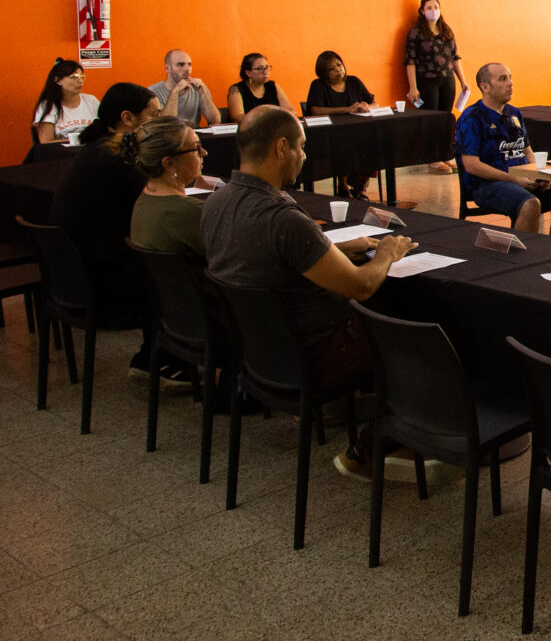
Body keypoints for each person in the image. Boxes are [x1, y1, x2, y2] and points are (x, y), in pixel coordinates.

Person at [200, 106, 416, 477]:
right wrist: (387, 253)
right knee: (416, 343)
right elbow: (362, 286)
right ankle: (370, 451)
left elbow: (267, 257)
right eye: (301, 146)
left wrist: (330, 250)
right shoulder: (282, 218)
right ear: (280, 148)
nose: (304, 155)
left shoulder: (216, 201)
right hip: (315, 354)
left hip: (260, 353)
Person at [48, 83, 182, 381]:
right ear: (128, 118)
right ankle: (163, 358)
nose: (159, 120)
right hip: (101, 279)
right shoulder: (119, 155)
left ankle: (159, 354)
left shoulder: (97, 148)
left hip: (72, 277)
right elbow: (154, 203)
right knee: (174, 267)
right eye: (154, 114)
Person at [455, 63, 551, 236]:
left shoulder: (514, 113)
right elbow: (472, 165)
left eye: (510, 78)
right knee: (530, 204)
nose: (510, 83)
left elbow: (527, 151)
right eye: (502, 79)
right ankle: (524, 252)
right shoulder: (472, 117)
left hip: (522, 179)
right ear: (485, 87)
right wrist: (514, 180)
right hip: (486, 185)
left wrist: (540, 176)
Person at [130, 117, 211, 260]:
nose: (204, 152)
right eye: (196, 148)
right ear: (169, 163)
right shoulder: (194, 212)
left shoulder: (143, 200)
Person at [404, 0, 468, 173]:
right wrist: (413, 87)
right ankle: (432, 159)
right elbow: (410, 61)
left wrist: (463, 82)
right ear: (422, 11)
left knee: (446, 119)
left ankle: (445, 154)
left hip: (447, 79)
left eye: (436, 7)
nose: (433, 11)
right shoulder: (416, 33)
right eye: (429, 8)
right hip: (426, 80)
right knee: (431, 120)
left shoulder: (447, 30)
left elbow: (456, 57)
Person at [306, 51, 378, 200]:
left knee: (376, 143)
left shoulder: (354, 81)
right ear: (323, 73)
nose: (338, 70)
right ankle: (343, 187)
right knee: (344, 145)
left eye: (339, 65)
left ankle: (360, 186)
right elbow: (315, 110)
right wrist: (347, 109)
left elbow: (374, 103)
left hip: (359, 131)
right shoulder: (318, 85)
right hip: (331, 135)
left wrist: (367, 106)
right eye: (332, 69)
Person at [31, 58, 99, 144]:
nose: (80, 81)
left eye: (82, 77)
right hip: (62, 151)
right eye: (74, 77)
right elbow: (46, 142)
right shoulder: (47, 106)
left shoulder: (91, 100)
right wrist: (78, 140)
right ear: (58, 81)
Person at [148, 49, 220, 127]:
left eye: (189, 64)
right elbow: (167, 126)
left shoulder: (198, 87)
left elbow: (215, 121)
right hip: (169, 134)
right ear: (167, 68)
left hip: (194, 134)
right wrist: (174, 93)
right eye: (180, 65)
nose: (187, 69)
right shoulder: (153, 92)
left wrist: (203, 93)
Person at [226, 52, 297, 122]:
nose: (265, 72)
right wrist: (266, 118)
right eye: (260, 69)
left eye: (267, 68)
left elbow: (292, 111)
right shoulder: (236, 90)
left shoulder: (273, 86)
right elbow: (237, 117)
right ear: (248, 73)